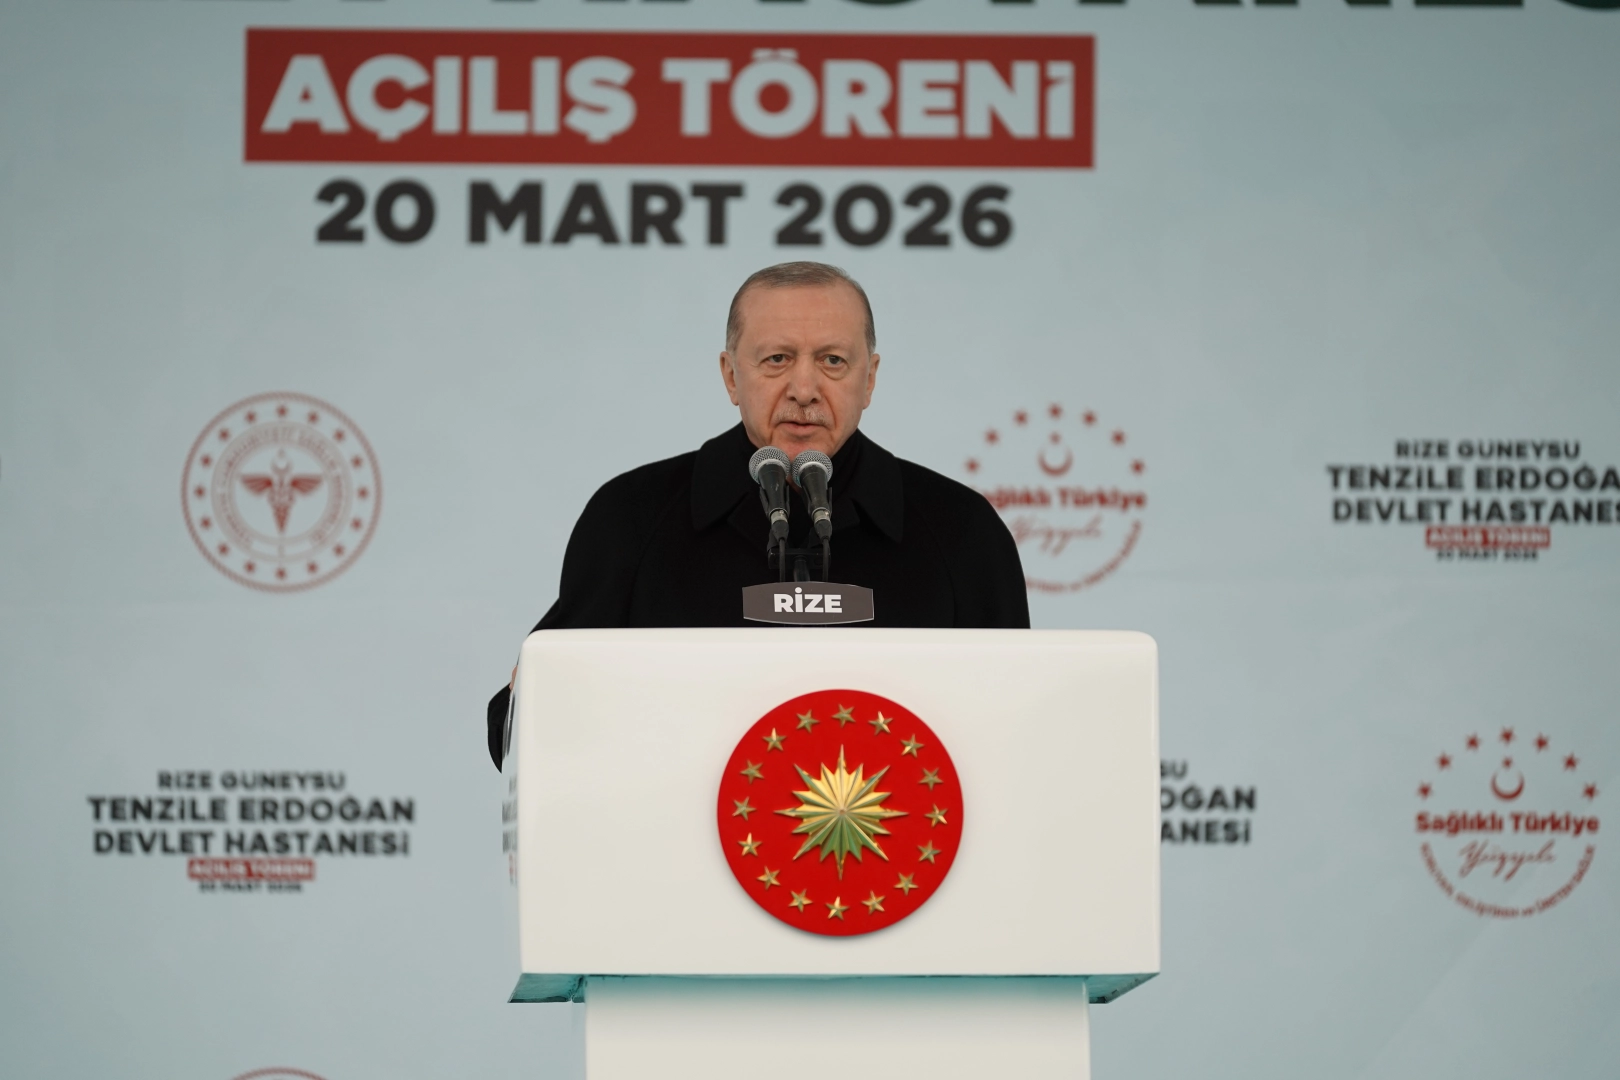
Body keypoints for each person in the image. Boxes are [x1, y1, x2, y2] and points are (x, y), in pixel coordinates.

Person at [487, 261, 1027, 767]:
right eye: (777, 359)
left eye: (832, 361)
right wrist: (533, 699)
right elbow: (526, 724)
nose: (804, 390)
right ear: (730, 376)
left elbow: (1019, 725)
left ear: (870, 379)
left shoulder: (960, 529)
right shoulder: (633, 516)